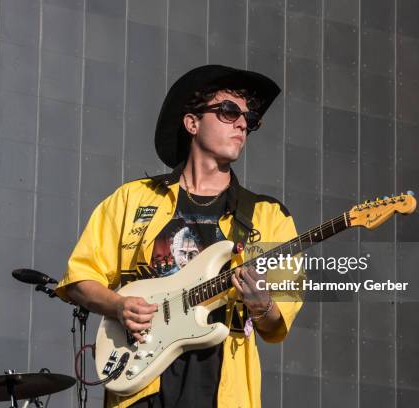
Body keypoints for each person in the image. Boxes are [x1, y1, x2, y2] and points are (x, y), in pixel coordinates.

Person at [55, 65, 303, 408]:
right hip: (141, 379)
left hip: (222, 384)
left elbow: (276, 323)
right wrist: (119, 305)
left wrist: (261, 304)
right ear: (192, 123)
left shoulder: (268, 216)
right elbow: (81, 278)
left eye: (250, 118)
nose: (243, 124)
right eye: (230, 111)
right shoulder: (133, 198)